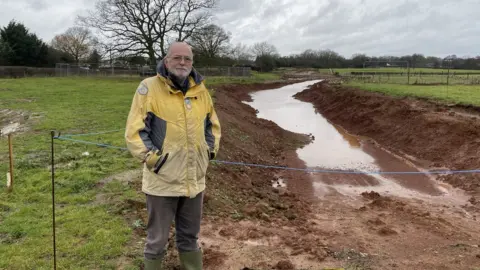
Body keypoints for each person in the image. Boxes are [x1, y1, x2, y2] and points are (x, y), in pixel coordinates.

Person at [124, 41, 221, 270]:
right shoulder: (148, 88)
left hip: (194, 180)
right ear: (166, 61)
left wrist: (209, 152)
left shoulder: (201, 90)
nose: (182, 62)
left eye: (187, 58)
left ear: (192, 62)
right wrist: (151, 159)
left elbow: (212, 126)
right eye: (177, 58)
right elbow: (134, 131)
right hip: (162, 180)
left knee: (190, 238)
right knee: (156, 242)